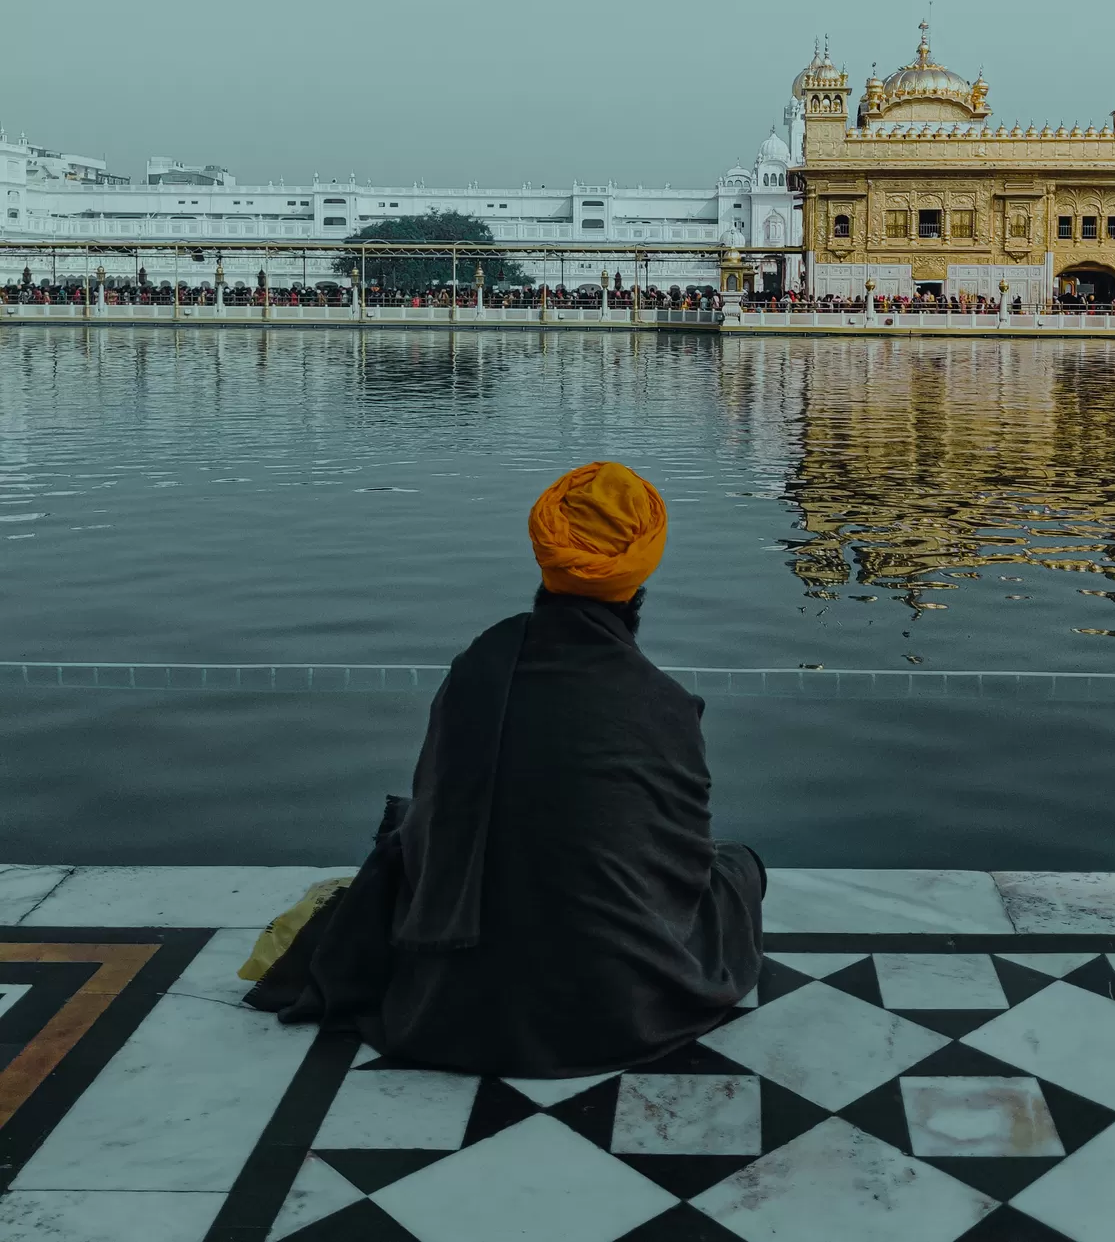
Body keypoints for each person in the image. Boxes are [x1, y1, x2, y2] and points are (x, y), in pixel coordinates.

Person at [243, 460, 764, 1077]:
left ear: (543, 550)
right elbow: (679, 867)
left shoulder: (477, 670)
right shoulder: (665, 704)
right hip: (622, 1005)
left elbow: (435, 825)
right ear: (644, 564)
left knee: (411, 834)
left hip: (453, 1004)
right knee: (740, 868)